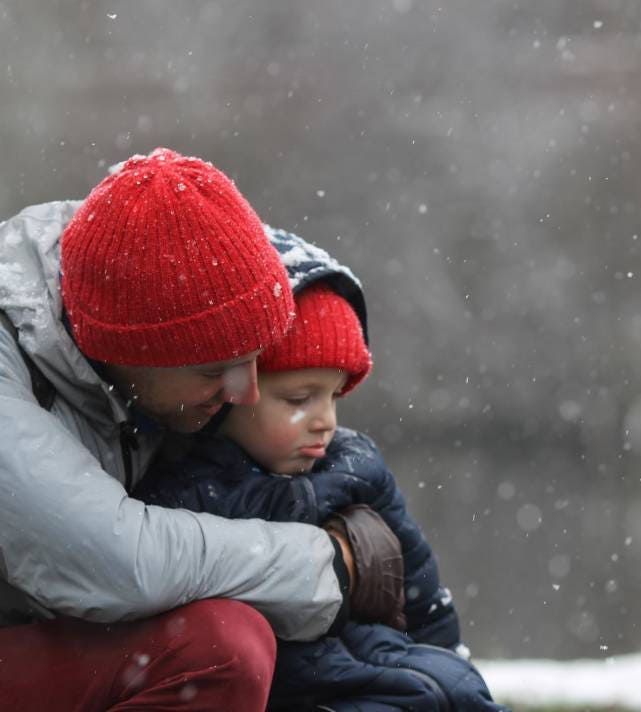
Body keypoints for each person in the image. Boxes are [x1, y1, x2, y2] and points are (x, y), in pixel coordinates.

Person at [0, 148, 382, 709]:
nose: (245, 393)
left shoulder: (136, 293)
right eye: (214, 371)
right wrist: (330, 564)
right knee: (221, 649)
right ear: (130, 350)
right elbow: (117, 562)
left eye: (256, 360)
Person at [135, 280, 507, 711]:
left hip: (386, 668)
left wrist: (447, 659)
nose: (325, 421)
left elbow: (422, 597)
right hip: (304, 690)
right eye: (299, 399)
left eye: (334, 396)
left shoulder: (357, 468)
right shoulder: (185, 496)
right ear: (229, 397)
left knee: (458, 693)